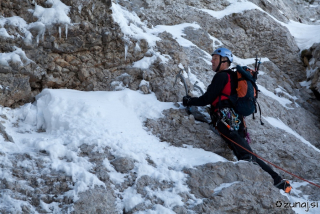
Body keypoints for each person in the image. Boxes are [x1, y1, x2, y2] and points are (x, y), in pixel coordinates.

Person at [182, 47, 292, 193]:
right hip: (236, 120)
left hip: (225, 119)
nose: (212, 61)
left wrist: (189, 100)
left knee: (246, 154)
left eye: (215, 58)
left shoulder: (222, 76)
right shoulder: (232, 77)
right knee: (244, 151)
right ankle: (277, 181)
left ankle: (276, 181)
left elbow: (207, 98)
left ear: (224, 61)